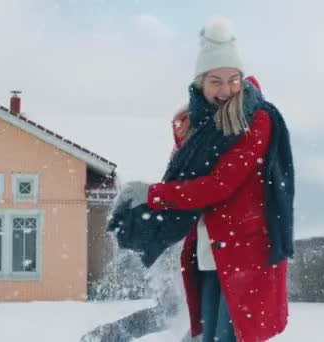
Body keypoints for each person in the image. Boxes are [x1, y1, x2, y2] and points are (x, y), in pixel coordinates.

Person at [108, 16, 295, 342]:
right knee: (208, 335)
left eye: (233, 79)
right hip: (210, 250)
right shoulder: (199, 127)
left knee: (228, 336)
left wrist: (152, 194)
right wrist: (187, 132)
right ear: (200, 82)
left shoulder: (257, 120)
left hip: (246, 253)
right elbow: (188, 175)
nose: (226, 90)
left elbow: (217, 185)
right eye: (215, 81)